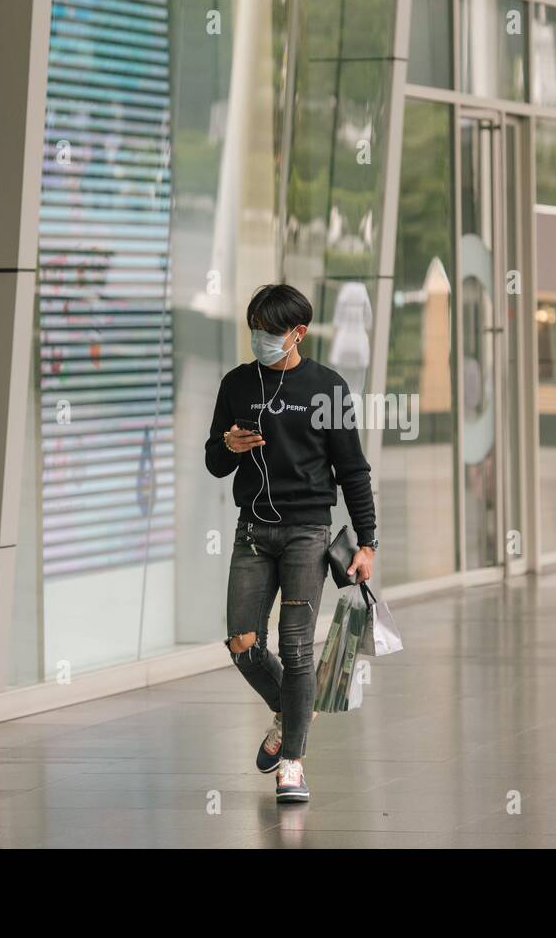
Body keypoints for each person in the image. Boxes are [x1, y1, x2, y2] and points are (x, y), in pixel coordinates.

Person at [205, 283, 378, 803]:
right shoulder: (237, 384)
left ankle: (293, 762)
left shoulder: (327, 388)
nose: (259, 338)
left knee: (296, 646)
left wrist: (367, 542)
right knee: (241, 641)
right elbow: (215, 461)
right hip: (252, 531)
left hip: (308, 531)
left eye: (269, 330)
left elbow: (353, 470)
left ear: (297, 332)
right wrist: (228, 445)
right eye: (254, 328)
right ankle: (293, 708)